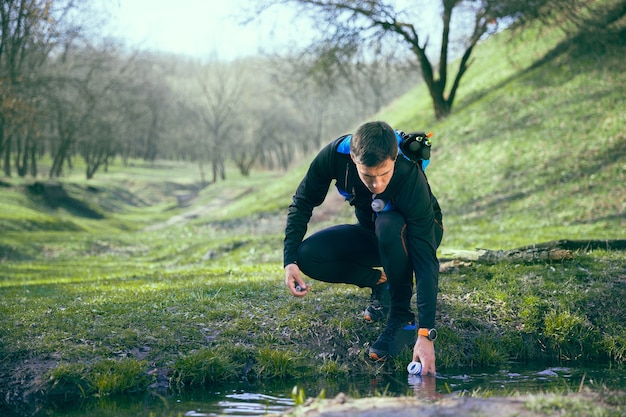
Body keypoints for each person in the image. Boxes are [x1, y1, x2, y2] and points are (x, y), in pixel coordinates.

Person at [283, 121, 443, 375]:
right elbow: (302, 202)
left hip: (417, 235)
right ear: (353, 159)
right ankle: (382, 283)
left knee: (389, 224)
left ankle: (403, 318)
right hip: (376, 235)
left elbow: (426, 260)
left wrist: (426, 333)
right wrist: (289, 259)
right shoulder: (334, 156)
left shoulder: (409, 176)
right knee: (308, 256)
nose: (376, 185)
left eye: (384, 174)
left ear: (394, 159)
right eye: (367, 176)